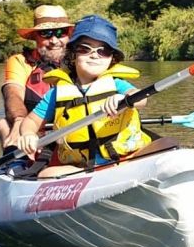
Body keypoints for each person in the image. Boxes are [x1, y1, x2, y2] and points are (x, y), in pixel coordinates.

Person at [16, 15, 150, 178]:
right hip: (81, 168)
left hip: (126, 160)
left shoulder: (117, 84)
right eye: (85, 48)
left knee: (169, 144)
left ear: (112, 58)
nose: (94, 55)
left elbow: (141, 98)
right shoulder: (57, 92)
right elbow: (31, 121)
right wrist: (28, 134)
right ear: (73, 54)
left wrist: (125, 99)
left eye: (103, 51)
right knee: (47, 175)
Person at [0, 5, 73, 150]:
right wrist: (20, 121)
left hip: (72, 126)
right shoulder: (20, 61)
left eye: (60, 32)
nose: (54, 40)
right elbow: (13, 93)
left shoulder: (83, 60)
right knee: (4, 124)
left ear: (69, 34)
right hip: (33, 130)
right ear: (35, 37)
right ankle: (15, 161)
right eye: (46, 33)